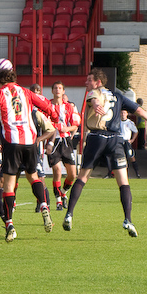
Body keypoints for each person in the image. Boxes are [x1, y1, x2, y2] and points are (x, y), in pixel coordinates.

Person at [62, 68, 147, 237]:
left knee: (83, 177)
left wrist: (96, 105)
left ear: (98, 82)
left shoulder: (93, 93)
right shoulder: (118, 96)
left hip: (97, 137)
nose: (86, 83)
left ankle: (69, 214)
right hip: (115, 140)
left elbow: (94, 100)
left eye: (89, 80)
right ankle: (128, 220)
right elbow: (138, 110)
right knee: (123, 182)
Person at [0, 60, 62, 242]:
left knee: (9, 185)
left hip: (12, 142)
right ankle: (43, 204)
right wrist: (55, 116)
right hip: (30, 142)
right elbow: (47, 106)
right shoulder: (26, 92)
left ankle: (9, 224)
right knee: (33, 176)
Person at [47, 81, 80, 210]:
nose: (57, 90)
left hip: (66, 141)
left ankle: (63, 192)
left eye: (60, 88)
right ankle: (58, 200)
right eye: (55, 88)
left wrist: (66, 128)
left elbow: (75, 124)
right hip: (53, 140)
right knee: (57, 170)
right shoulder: (48, 105)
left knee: (72, 174)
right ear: (52, 91)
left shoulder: (69, 107)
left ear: (63, 91)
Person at [118, 109, 141, 178]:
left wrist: (132, 140)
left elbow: (136, 131)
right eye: (121, 113)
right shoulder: (117, 122)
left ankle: (137, 173)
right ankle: (115, 173)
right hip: (119, 141)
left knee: (131, 156)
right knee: (120, 157)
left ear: (127, 114)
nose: (123, 114)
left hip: (127, 142)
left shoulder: (130, 123)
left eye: (124, 113)